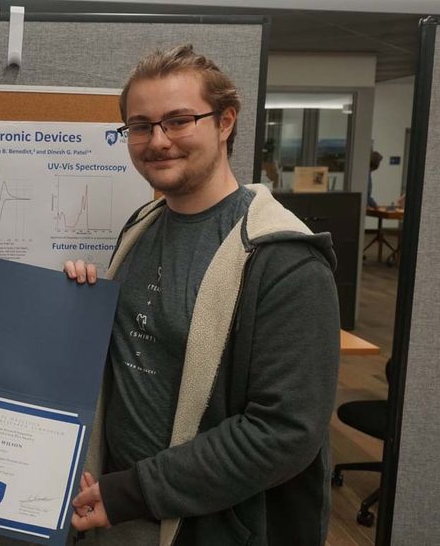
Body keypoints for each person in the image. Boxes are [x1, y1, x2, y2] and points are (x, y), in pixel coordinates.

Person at [64, 45, 340, 545]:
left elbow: (284, 432)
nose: (157, 140)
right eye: (141, 126)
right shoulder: (141, 228)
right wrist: (83, 306)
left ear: (225, 122)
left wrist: (135, 492)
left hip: (205, 524)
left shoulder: (283, 260)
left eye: (179, 120)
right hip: (115, 504)